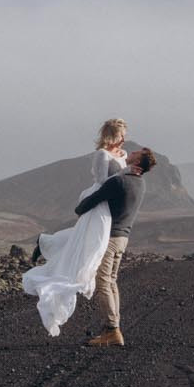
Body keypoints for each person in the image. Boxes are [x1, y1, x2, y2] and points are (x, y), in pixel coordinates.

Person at [21, 120, 129, 337]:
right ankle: (47, 246)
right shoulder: (101, 155)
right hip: (100, 204)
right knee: (91, 242)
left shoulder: (122, 154)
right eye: (120, 135)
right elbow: (102, 181)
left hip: (109, 207)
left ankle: (46, 243)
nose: (123, 139)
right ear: (112, 136)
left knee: (83, 239)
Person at [70, 146, 153, 347]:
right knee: (112, 281)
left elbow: (86, 204)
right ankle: (113, 327)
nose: (130, 153)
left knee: (103, 282)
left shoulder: (118, 181)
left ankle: (112, 330)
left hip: (110, 237)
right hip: (123, 239)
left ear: (136, 162)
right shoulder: (140, 183)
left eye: (134, 154)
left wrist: (80, 208)